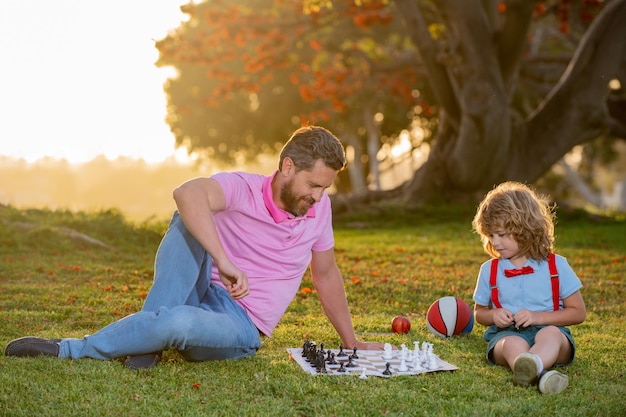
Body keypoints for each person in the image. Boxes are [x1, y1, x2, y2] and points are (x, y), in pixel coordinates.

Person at [5, 125, 384, 369]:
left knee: (177, 321)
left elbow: (326, 273)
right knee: (186, 217)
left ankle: (76, 349)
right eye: (314, 185)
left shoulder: (320, 211)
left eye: (325, 189)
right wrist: (223, 259)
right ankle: (145, 346)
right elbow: (185, 193)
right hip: (202, 288)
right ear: (287, 167)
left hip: (239, 325)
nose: (319, 197)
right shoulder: (243, 187)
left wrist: (351, 342)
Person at [471, 181, 586, 394]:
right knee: (510, 343)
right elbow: (480, 313)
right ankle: (535, 373)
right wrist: (494, 314)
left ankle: (534, 366)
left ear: (525, 229)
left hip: (552, 335)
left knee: (550, 334)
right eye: (490, 236)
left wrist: (538, 317)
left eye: (502, 234)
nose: (495, 242)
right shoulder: (489, 270)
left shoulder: (556, 265)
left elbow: (578, 312)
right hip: (506, 333)